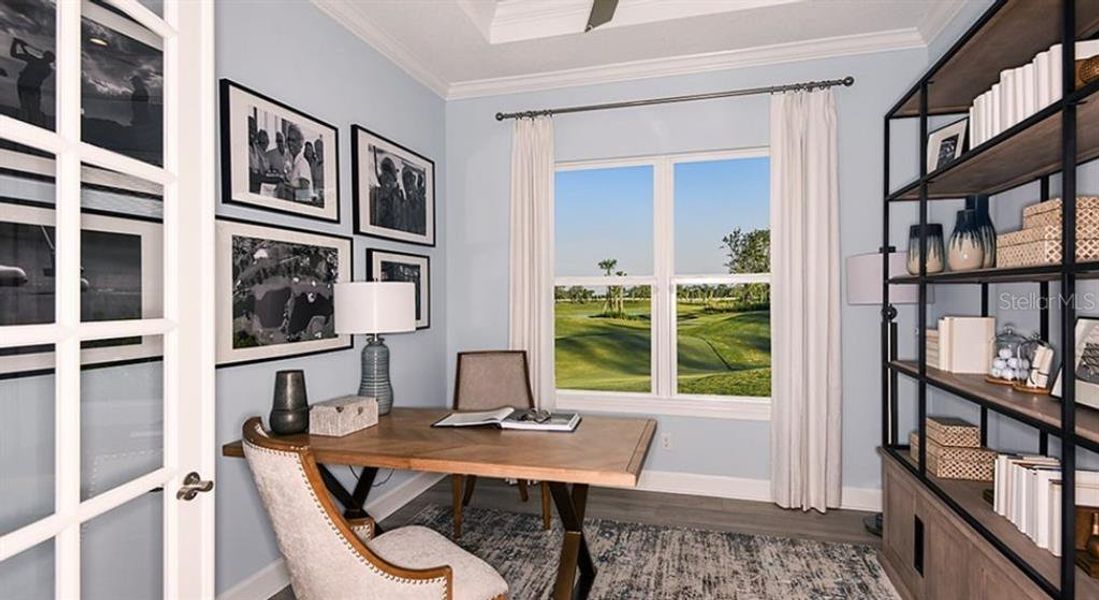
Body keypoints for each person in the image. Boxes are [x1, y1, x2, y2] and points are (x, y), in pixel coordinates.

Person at [10, 38, 54, 127]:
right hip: (30, 88)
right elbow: (29, 58)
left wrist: (16, 44)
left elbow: (16, 55)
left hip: (27, 87)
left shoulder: (39, 64)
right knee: (30, 109)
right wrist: (22, 47)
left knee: (27, 109)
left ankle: (29, 125)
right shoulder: (47, 68)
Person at [283, 124, 313, 203]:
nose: (290, 143)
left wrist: (286, 187)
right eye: (288, 140)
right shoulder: (294, 163)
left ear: (300, 143)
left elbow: (304, 195)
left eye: (293, 140)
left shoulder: (302, 164)